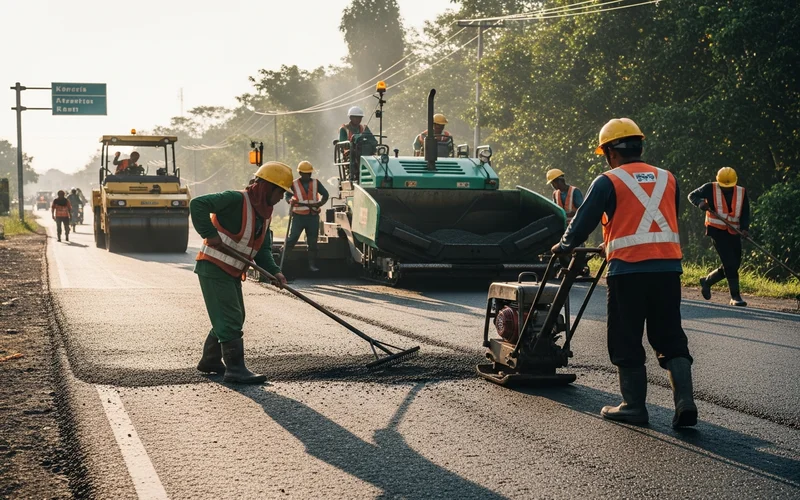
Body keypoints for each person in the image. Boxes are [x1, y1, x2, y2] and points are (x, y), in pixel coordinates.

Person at [551, 117, 697, 429]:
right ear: (639, 146)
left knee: (625, 337)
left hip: (628, 271)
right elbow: (660, 218)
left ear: (609, 152)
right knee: (670, 335)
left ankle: (633, 406)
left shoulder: (608, 181)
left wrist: (564, 245)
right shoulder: (668, 178)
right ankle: (685, 401)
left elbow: (583, 222)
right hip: (668, 270)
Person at [190, 161, 292, 384]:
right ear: (267, 187)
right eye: (281, 192)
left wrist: (274, 271)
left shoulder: (265, 213)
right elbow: (197, 204)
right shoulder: (235, 199)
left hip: (232, 271)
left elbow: (262, 249)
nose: (281, 198)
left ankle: (210, 360)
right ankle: (235, 370)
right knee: (230, 318)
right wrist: (209, 233)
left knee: (233, 316)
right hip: (214, 266)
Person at [688, 167, 750, 306]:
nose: (726, 189)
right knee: (729, 263)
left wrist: (745, 228)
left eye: (729, 187)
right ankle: (735, 297)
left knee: (735, 263)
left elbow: (745, 211)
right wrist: (700, 202)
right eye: (724, 187)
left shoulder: (741, 192)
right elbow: (692, 195)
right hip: (717, 231)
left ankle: (707, 281)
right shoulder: (709, 188)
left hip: (734, 231)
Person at [284, 161, 330, 272]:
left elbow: (325, 194)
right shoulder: (294, 184)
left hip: (312, 216)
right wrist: (290, 200)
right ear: (300, 173)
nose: (307, 175)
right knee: (293, 238)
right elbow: (287, 195)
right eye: (305, 173)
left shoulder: (316, 183)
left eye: (309, 173)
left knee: (312, 242)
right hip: (298, 217)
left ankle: (312, 265)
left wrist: (320, 203)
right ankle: (284, 260)